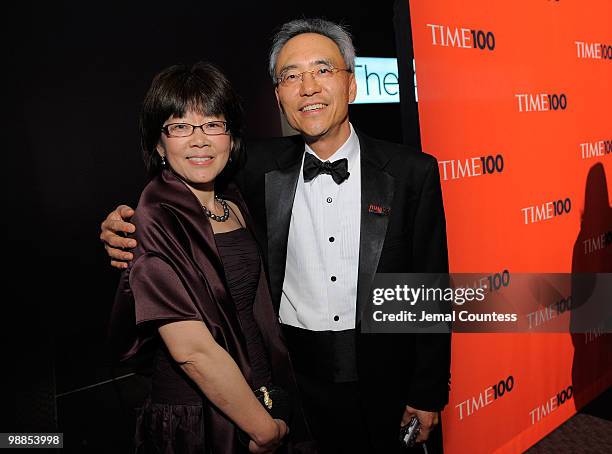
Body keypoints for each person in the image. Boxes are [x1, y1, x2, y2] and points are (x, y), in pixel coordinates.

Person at [102, 19, 451, 454]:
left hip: (384, 377)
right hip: (293, 379)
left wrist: (427, 392)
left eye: (323, 70)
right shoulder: (255, 168)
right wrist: (121, 222)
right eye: (291, 76)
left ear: (352, 84)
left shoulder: (411, 171)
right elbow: (186, 174)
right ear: (278, 95)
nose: (307, 87)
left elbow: (428, 290)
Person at [108, 61, 315, 454]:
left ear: (230, 136)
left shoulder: (233, 199)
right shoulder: (153, 217)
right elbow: (192, 352)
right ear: (158, 143)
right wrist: (263, 430)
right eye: (180, 126)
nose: (199, 139)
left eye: (212, 124)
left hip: (262, 392)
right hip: (204, 415)